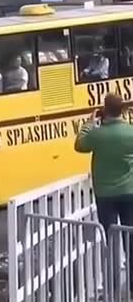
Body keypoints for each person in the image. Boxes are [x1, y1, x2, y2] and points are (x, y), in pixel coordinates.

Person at [75, 93, 133, 295]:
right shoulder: (130, 132)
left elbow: (79, 144)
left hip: (105, 195)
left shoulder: (97, 135)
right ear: (123, 111)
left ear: (104, 110)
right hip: (129, 193)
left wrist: (89, 123)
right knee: (130, 239)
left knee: (110, 240)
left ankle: (114, 287)